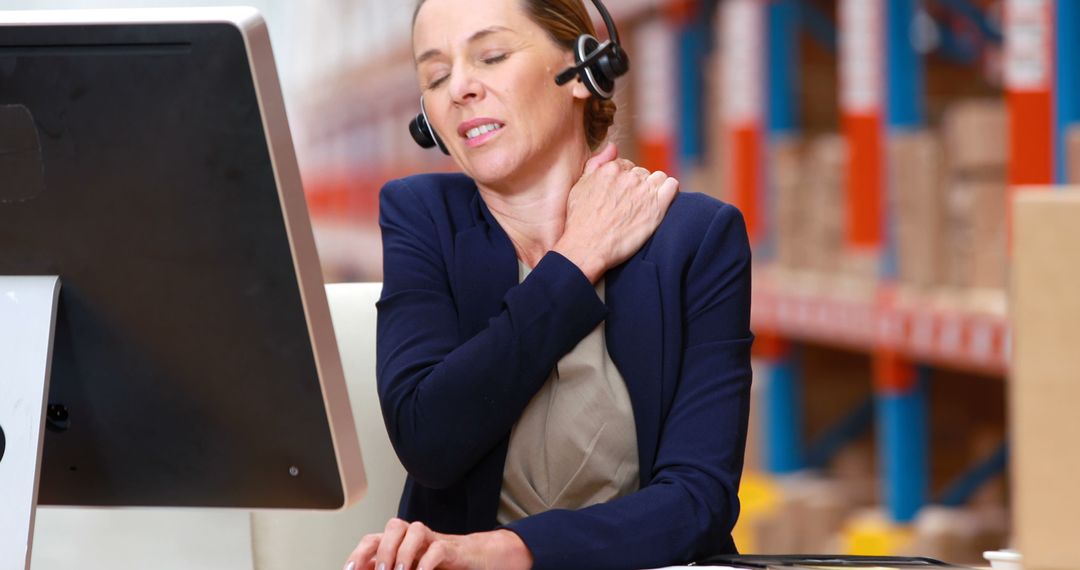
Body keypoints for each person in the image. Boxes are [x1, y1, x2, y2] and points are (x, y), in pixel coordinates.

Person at [344, 0, 753, 568]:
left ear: (584, 71)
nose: (459, 87)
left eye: (491, 56)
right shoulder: (422, 217)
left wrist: (507, 552)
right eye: (435, 76)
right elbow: (428, 438)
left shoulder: (698, 239)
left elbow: (697, 501)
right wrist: (574, 260)